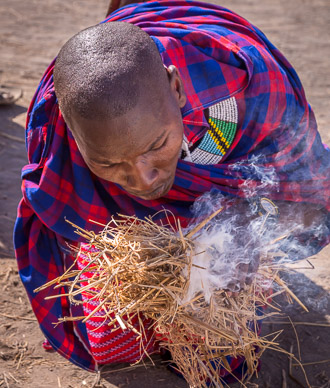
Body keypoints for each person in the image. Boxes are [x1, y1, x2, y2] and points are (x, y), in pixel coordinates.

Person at [14, 0, 329, 382]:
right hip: (128, 249)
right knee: (115, 334)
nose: (143, 181)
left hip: (229, 219)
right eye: (110, 164)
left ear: (176, 88)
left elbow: (305, 188)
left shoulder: (245, 86)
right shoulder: (55, 125)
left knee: (219, 333)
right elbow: (64, 207)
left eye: (155, 147)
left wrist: (246, 234)